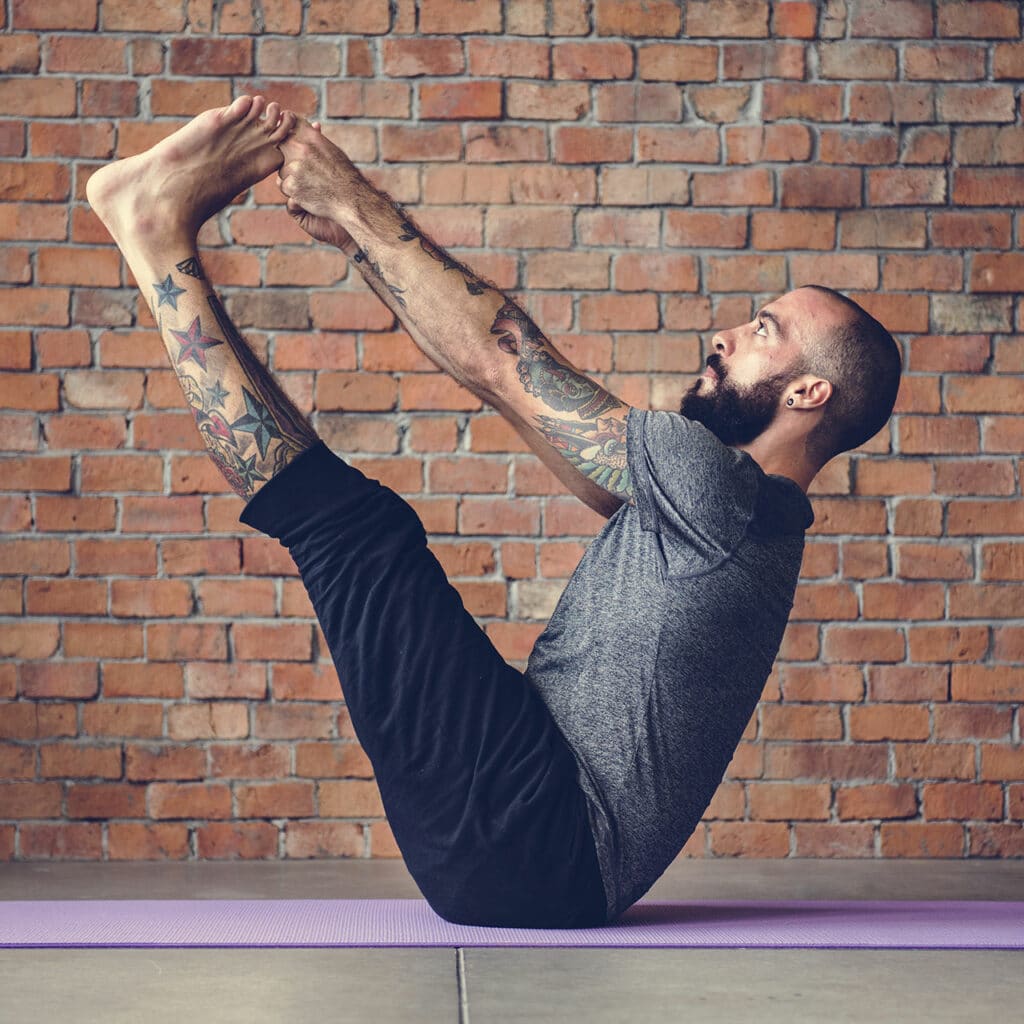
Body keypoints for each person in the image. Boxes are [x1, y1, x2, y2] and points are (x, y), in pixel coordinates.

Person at [86, 96, 903, 928]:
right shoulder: (746, 515)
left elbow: (506, 355)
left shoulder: (717, 491)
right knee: (364, 531)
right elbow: (494, 381)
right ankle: (155, 226)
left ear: (809, 392)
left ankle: (152, 234)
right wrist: (356, 245)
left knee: (356, 533)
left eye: (762, 329)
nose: (727, 334)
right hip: (541, 847)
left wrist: (353, 202)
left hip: (534, 838)